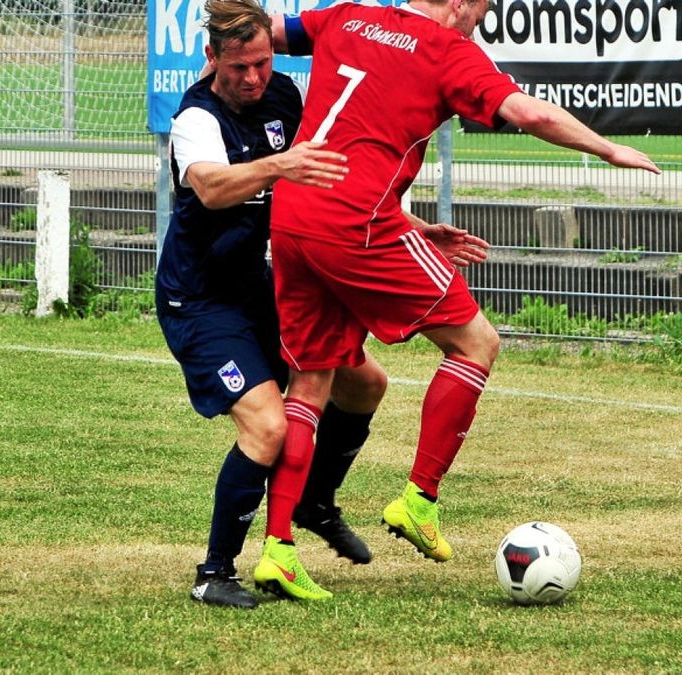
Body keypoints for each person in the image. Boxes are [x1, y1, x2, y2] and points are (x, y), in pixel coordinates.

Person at [267, 0, 661, 566]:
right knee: (476, 343)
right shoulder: (447, 51)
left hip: (293, 211)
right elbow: (530, 114)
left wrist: (216, 61)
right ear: (458, 4)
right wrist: (606, 147)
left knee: (311, 384)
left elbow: (266, 32)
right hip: (359, 222)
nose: (481, 20)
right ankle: (419, 501)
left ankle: (277, 548)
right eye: (481, 9)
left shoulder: (345, 15)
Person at [157, 0, 491, 608]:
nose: (253, 78)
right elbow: (209, 187)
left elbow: (334, 179)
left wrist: (412, 226)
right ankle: (215, 573)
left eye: (262, 63)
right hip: (202, 301)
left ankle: (312, 502)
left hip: (263, 288)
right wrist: (280, 165)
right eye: (238, 68)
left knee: (363, 386)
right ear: (211, 60)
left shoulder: (283, 97)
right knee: (267, 425)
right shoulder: (196, 118)